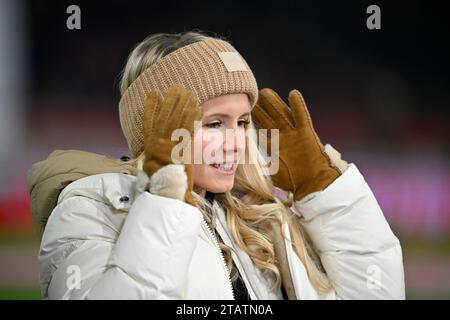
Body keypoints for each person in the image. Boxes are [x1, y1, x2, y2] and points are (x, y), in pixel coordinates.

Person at [27, 31, 405, 300]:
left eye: (242, 122)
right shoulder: (90, 208)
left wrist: (324, 191)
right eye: (213, 123)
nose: (237, 140)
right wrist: (164, 200)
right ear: (157, 127)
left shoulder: (259, 218)